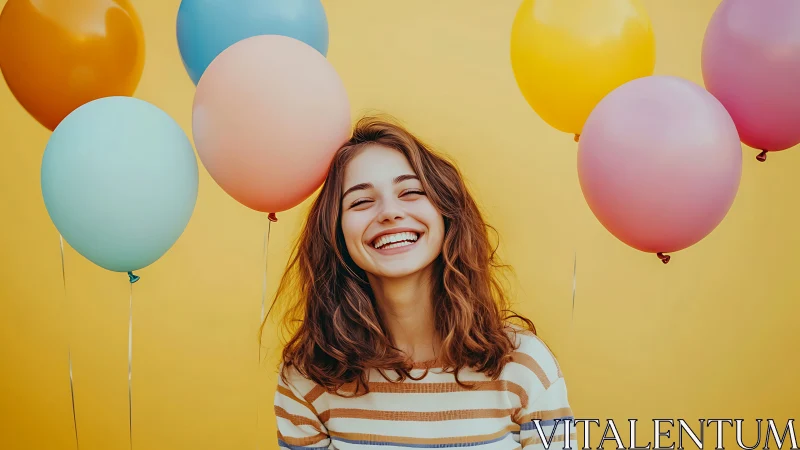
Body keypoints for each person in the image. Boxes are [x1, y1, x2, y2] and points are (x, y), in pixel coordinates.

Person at [264, 115, 576, 449]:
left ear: (446, 214)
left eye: (411, 191)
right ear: (336, 234)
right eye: (361, 201)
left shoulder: (523, 367)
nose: (389, 212)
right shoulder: (307, 380)